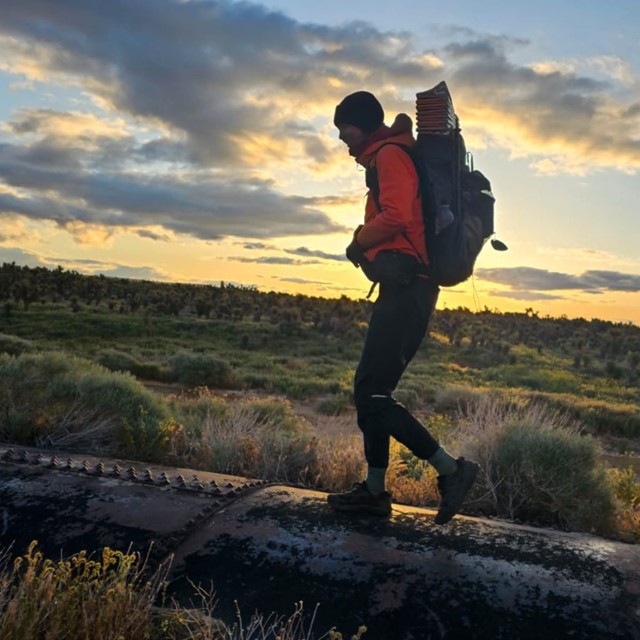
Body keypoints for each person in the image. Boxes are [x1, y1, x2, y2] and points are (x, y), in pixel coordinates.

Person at [327, 91, 478, 524]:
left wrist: (358, 242)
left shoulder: (391, 155)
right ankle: (374, 491)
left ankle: (452, 470)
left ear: (365, 126)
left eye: (347, 131)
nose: (344, 140)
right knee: (370, 390)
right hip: (405, 287)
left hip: (411, 287)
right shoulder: (386, 155)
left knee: (372, 393)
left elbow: (395, 216)